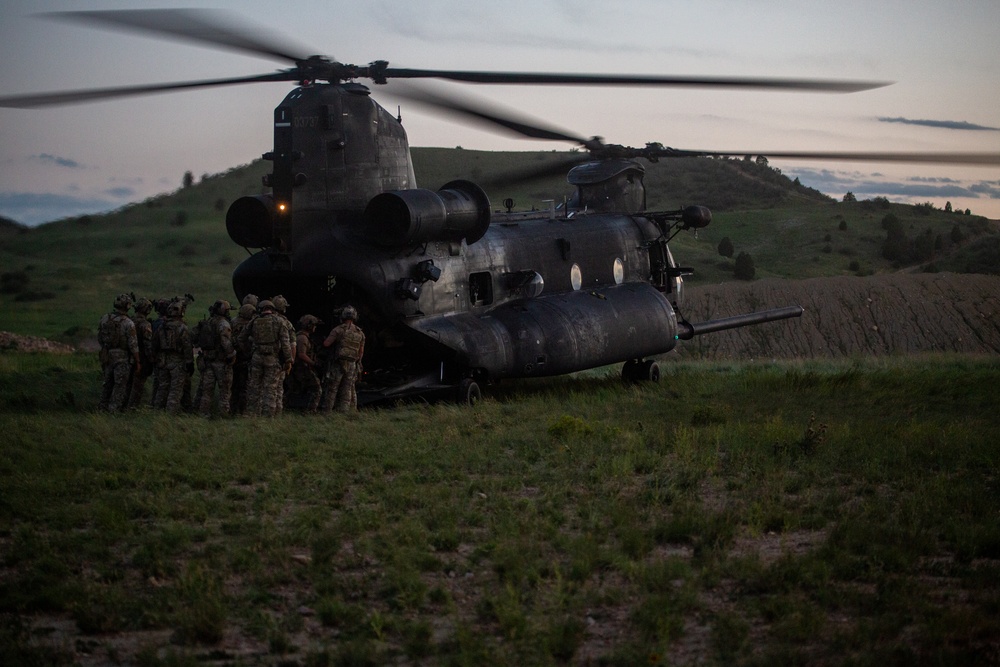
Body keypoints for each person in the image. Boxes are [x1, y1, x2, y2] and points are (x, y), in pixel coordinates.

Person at [239, 300, 291, 417]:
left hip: (256, 358)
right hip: (272, 359)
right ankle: (268, 415)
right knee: (270, 388)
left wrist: (248, 352)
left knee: (254, 386)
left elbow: (241, 338)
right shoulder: (279, 321)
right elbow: (285, 343)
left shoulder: (254, 321)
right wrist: (288, 360)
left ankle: (251, 413)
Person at [98, 293, 140, 412]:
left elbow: (100, 337)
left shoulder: (105, 318)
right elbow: (133, 345)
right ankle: (114, 409)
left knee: (107, 383)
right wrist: (138, 361)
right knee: (120, 384)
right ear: (127, 306)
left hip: (107, 355)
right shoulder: (128, 323)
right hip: (122, 357)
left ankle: (102, 407)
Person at [321, 305, 365, 413]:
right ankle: (344, 412)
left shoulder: (338, 330)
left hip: (339, 363)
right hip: (352, 364)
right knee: (347, 388)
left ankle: (327, 411)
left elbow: (326, 344)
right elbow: (361, 351)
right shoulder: (360, 333)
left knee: (332, 388)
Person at [152, 300, 194, 414]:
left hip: (163, 361)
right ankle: (171, 413)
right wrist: (190, 363)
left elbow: (154, 344)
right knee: (175, 389)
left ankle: (157, 411)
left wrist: (156, 358)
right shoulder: (182, 327)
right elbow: (187, 346)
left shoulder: (162, 326)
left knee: (162, 387)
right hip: (177, 361)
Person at [197, 300, 237, 417]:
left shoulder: (207, 322)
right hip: (221, 362)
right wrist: (232, 355)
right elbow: (225, 342)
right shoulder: (223, 324)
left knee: (206, 391)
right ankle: (223, 414)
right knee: (224, 391)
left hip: (207, 361)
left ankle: (203, 414)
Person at [270, 294, 296, 414]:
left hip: (258, 358)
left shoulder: (261, 319)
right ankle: (276, 412)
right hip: (278, 360)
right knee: (277, 388)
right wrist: (290, 361)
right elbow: (291, 344)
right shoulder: (285, 323)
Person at [127, 297, 155, 409]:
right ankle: (133, 407)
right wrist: (151, 359)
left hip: (127, 357)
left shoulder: (129, 321)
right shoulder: (145, 324)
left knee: (127, 384)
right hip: (141, 358)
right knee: (138, 385)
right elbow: (148, 344)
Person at [229, 301, 257, 414]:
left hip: (234, 358)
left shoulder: (232, 322)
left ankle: (232, 408)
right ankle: (243, 410)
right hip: (246, 358)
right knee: (245, 386)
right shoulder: (251, 325)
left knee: (234, 386)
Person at [291, 314, 323, 412]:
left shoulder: (304, 337)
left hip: (302, 367)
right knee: (317, 389)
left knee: (294, 389)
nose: (315, 327)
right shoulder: (302, 338)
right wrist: (314, 364)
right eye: (314, 325)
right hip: (301, 368)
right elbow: (301, 354)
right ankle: (311, 410)